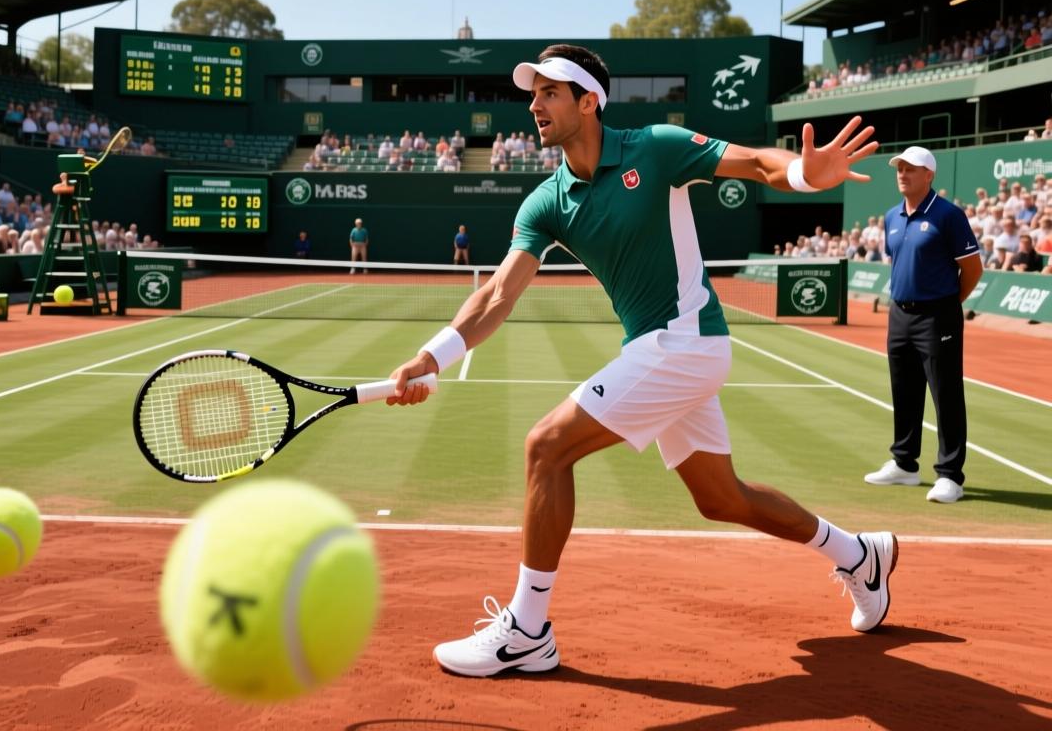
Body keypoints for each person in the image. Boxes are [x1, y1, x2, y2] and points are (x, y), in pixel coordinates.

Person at [383, 44, 893, 678]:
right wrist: (432, 355)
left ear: (588, 100)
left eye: (550, 92)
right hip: (663, 351)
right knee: (723, 498)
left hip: (684, 342)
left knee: (546, 447)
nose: (535, 105)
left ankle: (528, 630)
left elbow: (757, 162)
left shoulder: (654, 146)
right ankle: (858, 554)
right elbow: (496, 295)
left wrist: (802, 175)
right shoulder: (545, 202)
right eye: (533, 93)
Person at [865, 146, 983, 505]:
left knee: (946, 394)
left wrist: (947, 304)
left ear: (929, 175)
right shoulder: (892, 216)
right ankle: (904, 464)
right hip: (899, 314)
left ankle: (950, 476)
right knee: (904, 390)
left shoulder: (948, 215)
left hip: (938, 315)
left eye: (911, 168)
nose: (903, 173)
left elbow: (973, 269)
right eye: (899, 167)